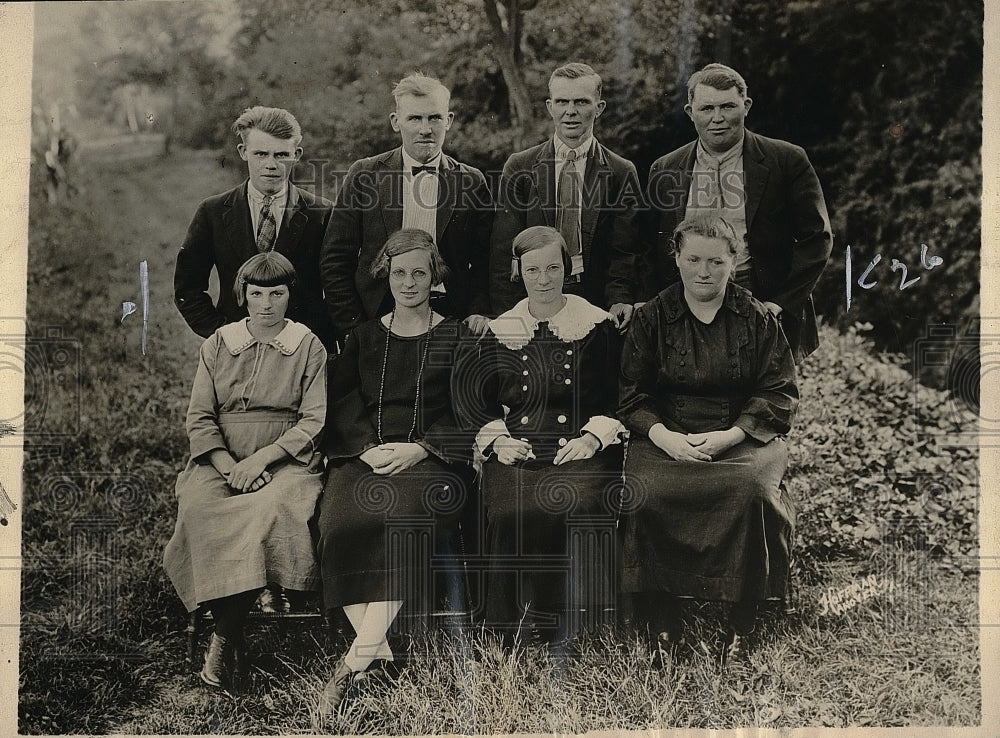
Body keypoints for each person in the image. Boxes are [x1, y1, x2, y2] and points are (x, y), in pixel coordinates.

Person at [619, 215, 798, 663]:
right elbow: (631, 395)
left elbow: (779, 392)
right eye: (693, 259)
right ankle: (661, 613)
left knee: (752, 492)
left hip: (742, 433)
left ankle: (744, 617)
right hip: (667, 434)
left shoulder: (757, 317)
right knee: (646, 491)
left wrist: (732, 435)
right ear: (676, 260)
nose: (704, 271)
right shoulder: (652, 316)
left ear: (734, 263)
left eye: (716, 261)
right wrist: (663, 437)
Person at [315, 229, 472, 715]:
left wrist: (421, 449)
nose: (409, 282)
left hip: (432, 464)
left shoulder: (457, 334)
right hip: (367, 456)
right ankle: (379, 653)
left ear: (435, 278)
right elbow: (342, 403)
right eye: (400, 272)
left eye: (419, 273)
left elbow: (470, 409)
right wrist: (366, 449)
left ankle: (352, 665)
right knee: (338, 523)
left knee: (405, 521)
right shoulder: (363, 337)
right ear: (386, 275)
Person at [163, 252, 327, 689]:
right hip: (222, 457)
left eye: (277, 293)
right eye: (257, 294)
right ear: (243, 296)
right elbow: (199, 416)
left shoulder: (307, 345)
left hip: (286, 460)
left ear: (291, 295)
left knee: (269, 509)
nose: (267, 304)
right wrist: (228, 464)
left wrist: (261, 460)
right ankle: (238, 614)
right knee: (200, 509)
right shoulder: (219, 343)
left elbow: (313, 420)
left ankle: (223, 636)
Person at [457, 225, 624, 645]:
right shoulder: (503, 329)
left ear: (568, 269)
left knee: (581, 505)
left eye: (553, 268)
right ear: (519, 272)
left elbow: (621, 395)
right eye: (533, 269)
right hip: (520, 447)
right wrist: (497, 441)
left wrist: (593, 439)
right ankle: (505, 630)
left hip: (582, 447)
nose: (544, 279)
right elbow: (477, 401)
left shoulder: (595, 325)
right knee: (510, 510)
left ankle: (584, 626)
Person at [643, 63, 832, 361]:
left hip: (763, 301)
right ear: (691, 112)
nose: (717, 118)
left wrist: (780, 304)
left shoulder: (786, 160)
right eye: (707, 109)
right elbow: (649, 246)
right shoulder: (665, 169)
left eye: (728, 107)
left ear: (746, 106)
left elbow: (817, 238)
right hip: (688, 303)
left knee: (768, 398)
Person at [320, 73, 494, 341]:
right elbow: (335, 258)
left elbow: (485, 259)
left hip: (450, 316)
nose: (425, 129)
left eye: (434, 117)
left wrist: (478, 311)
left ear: (448, 121)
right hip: (378, 315)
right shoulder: (365, 174)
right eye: (415, 118)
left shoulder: (471, 180)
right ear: (396, 121)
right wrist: (353, 328)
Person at [489, 63, 642, 330]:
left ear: (599, 107)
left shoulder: (621, 171)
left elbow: (626, 249)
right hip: (534, 297)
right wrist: (510, 314)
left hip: (595, 300)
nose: (570, 111)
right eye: (562, 102)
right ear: (550, 107)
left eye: (581, 102)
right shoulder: (520, 166)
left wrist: (619, 299)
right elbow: (505, 250)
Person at [174, 106, 337, 350]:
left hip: (303, 352)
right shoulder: (213, 211)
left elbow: (340, 289)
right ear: (243, 152)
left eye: (282, 155)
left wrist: (316, 341)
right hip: (236, 352)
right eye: (261, 154)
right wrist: (223, 333)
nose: (271, 165)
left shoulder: (323, 213)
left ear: (297, 154)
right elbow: (188, 287)